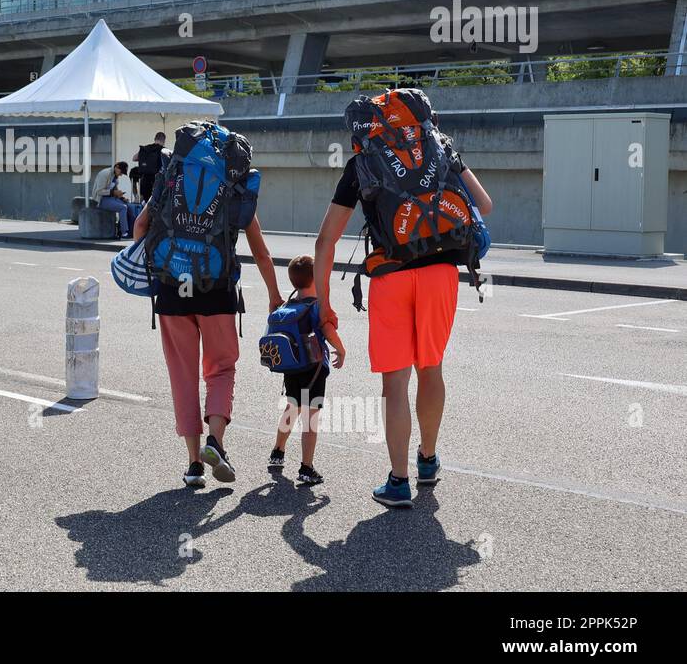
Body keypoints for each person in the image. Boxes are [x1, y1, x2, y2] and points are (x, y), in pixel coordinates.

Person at [314, 101, 493, 508]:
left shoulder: (363, 162)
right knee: (431, 369)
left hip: (390, 276)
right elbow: (484, 205)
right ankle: (428, 460)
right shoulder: (441, 147)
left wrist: (322, 304)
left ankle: (399, 482)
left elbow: (326, 241)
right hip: (442, 274)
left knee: (394, 384)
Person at [134, 197, 283, 489]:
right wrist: (274, 295)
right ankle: (215, 440)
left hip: (172, 291)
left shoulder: (172, 177)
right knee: (221, 368)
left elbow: (140, 225)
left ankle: (194, 465)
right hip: (217, 291)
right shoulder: (232, 183)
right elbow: (261, 252)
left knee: (182, 375)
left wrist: (155, 272)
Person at [268, 255, 345, 486]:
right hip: (314, 368)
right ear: (316, 278)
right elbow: (328, 330)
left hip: (291, 366)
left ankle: (277, 452)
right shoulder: (317, 306)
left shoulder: (286, 306)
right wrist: (341, 350)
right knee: (311, 418)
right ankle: (306, 467)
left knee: (291, 407)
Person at [92, 161, 134, 238]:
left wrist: (122, 198)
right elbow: (99, 191)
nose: (121, 174)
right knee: (123, 208)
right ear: (116, 167)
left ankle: (128, 230)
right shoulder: (105, 174)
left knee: (129, 206)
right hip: (101, 200)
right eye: (121, 172)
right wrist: (114, 192)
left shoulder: (115, 176)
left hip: (111, 198)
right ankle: (124, 233)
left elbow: (115, 189)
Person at [133, 131, 170, 202]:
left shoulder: (145, 149)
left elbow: (134, 158)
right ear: (164, 140)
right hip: (157, 181)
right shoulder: (164, 150)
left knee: (145, 203)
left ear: (155, 139)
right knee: (156, 203)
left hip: (144, 181)